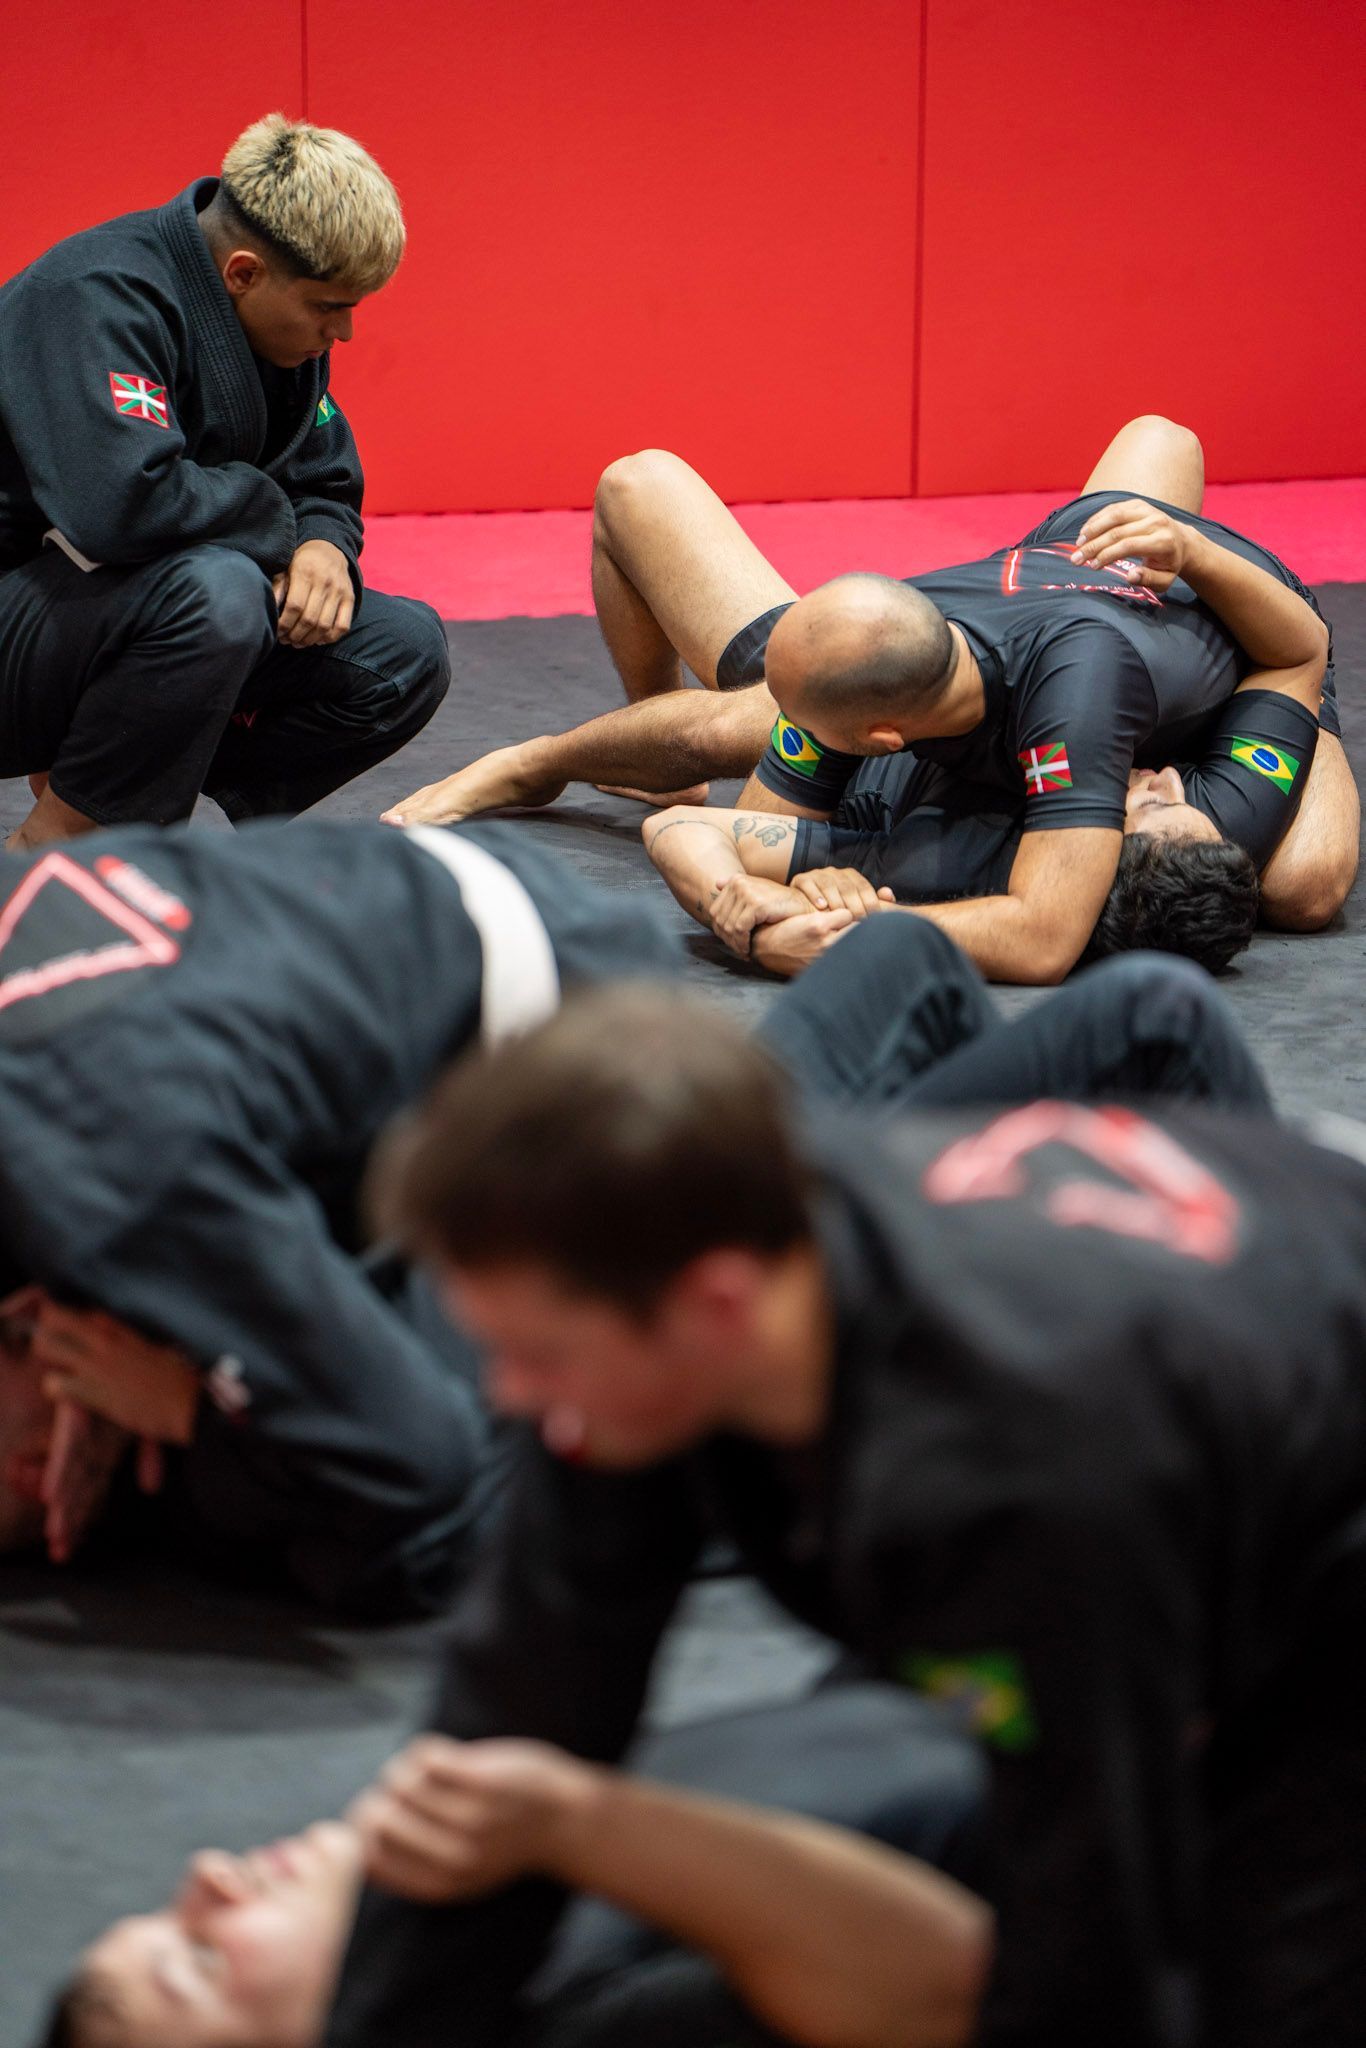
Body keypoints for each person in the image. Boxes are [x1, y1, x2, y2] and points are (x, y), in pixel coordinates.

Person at [320, 987, 1366, 2046]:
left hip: (1302, 1480)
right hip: (1209, 1367)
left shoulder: (1013, 1476)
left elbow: (1088, 1927)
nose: (504, 1395)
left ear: (717, 1306)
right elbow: (500, 1750)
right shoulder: (666, 1274)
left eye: (534, 1356)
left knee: (1254, 1966)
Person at [0, 842, 1268, 1609]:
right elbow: (427, 1518)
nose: (47, 1356)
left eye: (26, 1337)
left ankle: (953, 1295)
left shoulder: (117, 1215)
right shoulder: (210, 1408)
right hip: (522, 1096)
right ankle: (961, 1335)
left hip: (514, 1036)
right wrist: (202, 1408)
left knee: (914, 973)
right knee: (1056, 1000)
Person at [383, 417, 1356, 982]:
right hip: (1079, 560)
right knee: (729, 676)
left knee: (1301, 886)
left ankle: (552, 759)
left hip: (1222, 626)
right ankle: (540, 759)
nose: (1157, 781)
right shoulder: (895, 625)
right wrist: (775, 902)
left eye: (1151, 801)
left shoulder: (1073, 730)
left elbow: (1043, 936)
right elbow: (756, 829)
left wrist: (800, 919)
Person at [0, 816, 676, 1613]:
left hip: (574, 1054)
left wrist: (188, 1410)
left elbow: (416, 1458)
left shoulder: (119, 1167)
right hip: (414, 907)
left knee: (390, 1537)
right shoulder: (102, 1166)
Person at [36, 1680, 990, 2048]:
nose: (208, 1874)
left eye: (165, 1911)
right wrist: (576, 1823)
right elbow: (939, 1984)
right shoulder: (558, 2024)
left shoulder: (488, 1876)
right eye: (200, 1960)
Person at [0, 114, 450, 849]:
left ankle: (115, 787)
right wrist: (280, 527)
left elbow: (323, 476)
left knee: (401, 652)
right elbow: (124, 505)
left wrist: (323, 548)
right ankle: (57, 848)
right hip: (18, 625)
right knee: (220, 593)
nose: (344, 334)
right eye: (329, 308)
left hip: (105, 625)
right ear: (243, 272)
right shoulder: (93, 295)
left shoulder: (274, 334)